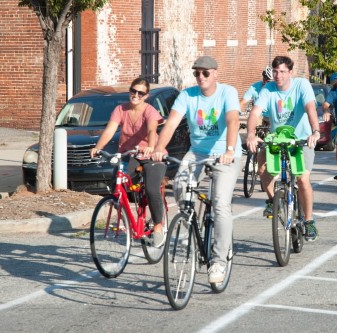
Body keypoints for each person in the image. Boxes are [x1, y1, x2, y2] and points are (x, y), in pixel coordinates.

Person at [152, 55, 241, 284]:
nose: (200, 77)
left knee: (220, 203)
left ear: (215, 73)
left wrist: (230, 149)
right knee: (181, 186)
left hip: (225, 153)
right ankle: (188, 221)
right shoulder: (187, 95)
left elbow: (232, 121)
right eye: (196, 73)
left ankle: (219, 261)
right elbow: (171, 123)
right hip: (198, 152)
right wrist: (159, 148)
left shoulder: (227, 93)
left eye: (205, 72)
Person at [246, 55, 321, 241]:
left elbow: (311, 108)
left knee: (303, 179)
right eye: (276, 72)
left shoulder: (301, 85)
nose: (278, 76)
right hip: (277, 139)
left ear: (290, 72)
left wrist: (315, 132)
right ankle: (273, 199)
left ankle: (309, 221)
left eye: (282, 72)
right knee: (261, 159)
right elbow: (255, 113)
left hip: (301, 138)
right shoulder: (268, 89)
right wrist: (250, 134)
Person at [90, 78, 167, 247]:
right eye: (133, 91)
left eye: (141, 93)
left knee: (152, 189)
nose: (136, 95)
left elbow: (152, 129)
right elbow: (110, 130)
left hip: (151, 155)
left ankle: (158, 227)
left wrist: (152, 147)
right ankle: (126, 219)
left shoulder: (150, 111)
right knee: (117, 185)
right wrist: (98, 147)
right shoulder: (120, 109)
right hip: (128, 154)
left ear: (146, 96)